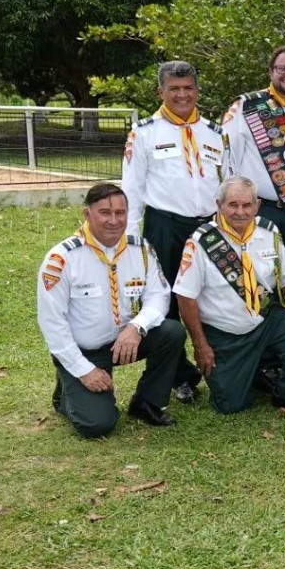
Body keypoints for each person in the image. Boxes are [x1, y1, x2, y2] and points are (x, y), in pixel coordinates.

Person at [37, 184, 186, 438]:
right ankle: (66, 390)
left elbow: (159, 296)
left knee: (172, 332)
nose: (114, 221)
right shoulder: (62, 259)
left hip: (125, 341)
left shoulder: (140, 250)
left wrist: (137, 328)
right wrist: (84, 370)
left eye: (121, 212)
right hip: (85, 351)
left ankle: (146, 403)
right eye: (104, 212)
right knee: (97, 425)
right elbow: (53, 324)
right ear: (87, 214)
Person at [120, 60, 224, 403]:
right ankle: (182, 376)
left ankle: (221, 361)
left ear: (197, 90)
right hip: (165, 224)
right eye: (174, 89)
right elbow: (132, 189)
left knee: (210, 294)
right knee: (165, 301)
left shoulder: (213, 131)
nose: (182, 95)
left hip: (208, 225)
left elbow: (226, 181)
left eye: (188, 88)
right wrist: (132, 239)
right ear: (160, 92)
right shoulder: (145, 133)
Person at [174, 176, 285, 416]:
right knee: (231, 405)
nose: (240, 212)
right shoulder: (201, 242)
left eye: (246, 205)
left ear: (257, 206)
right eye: (232, 205)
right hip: (225, 332)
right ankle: (249, 373)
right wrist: (201, 345)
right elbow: (185, 297)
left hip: (266, 320)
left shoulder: (268, 231)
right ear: (219, 205)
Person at [220, 46, 285, 261]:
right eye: (282, 68)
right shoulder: (246, 107)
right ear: (270, 72)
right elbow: (228, 161)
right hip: (261, 210)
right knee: (262, 278)